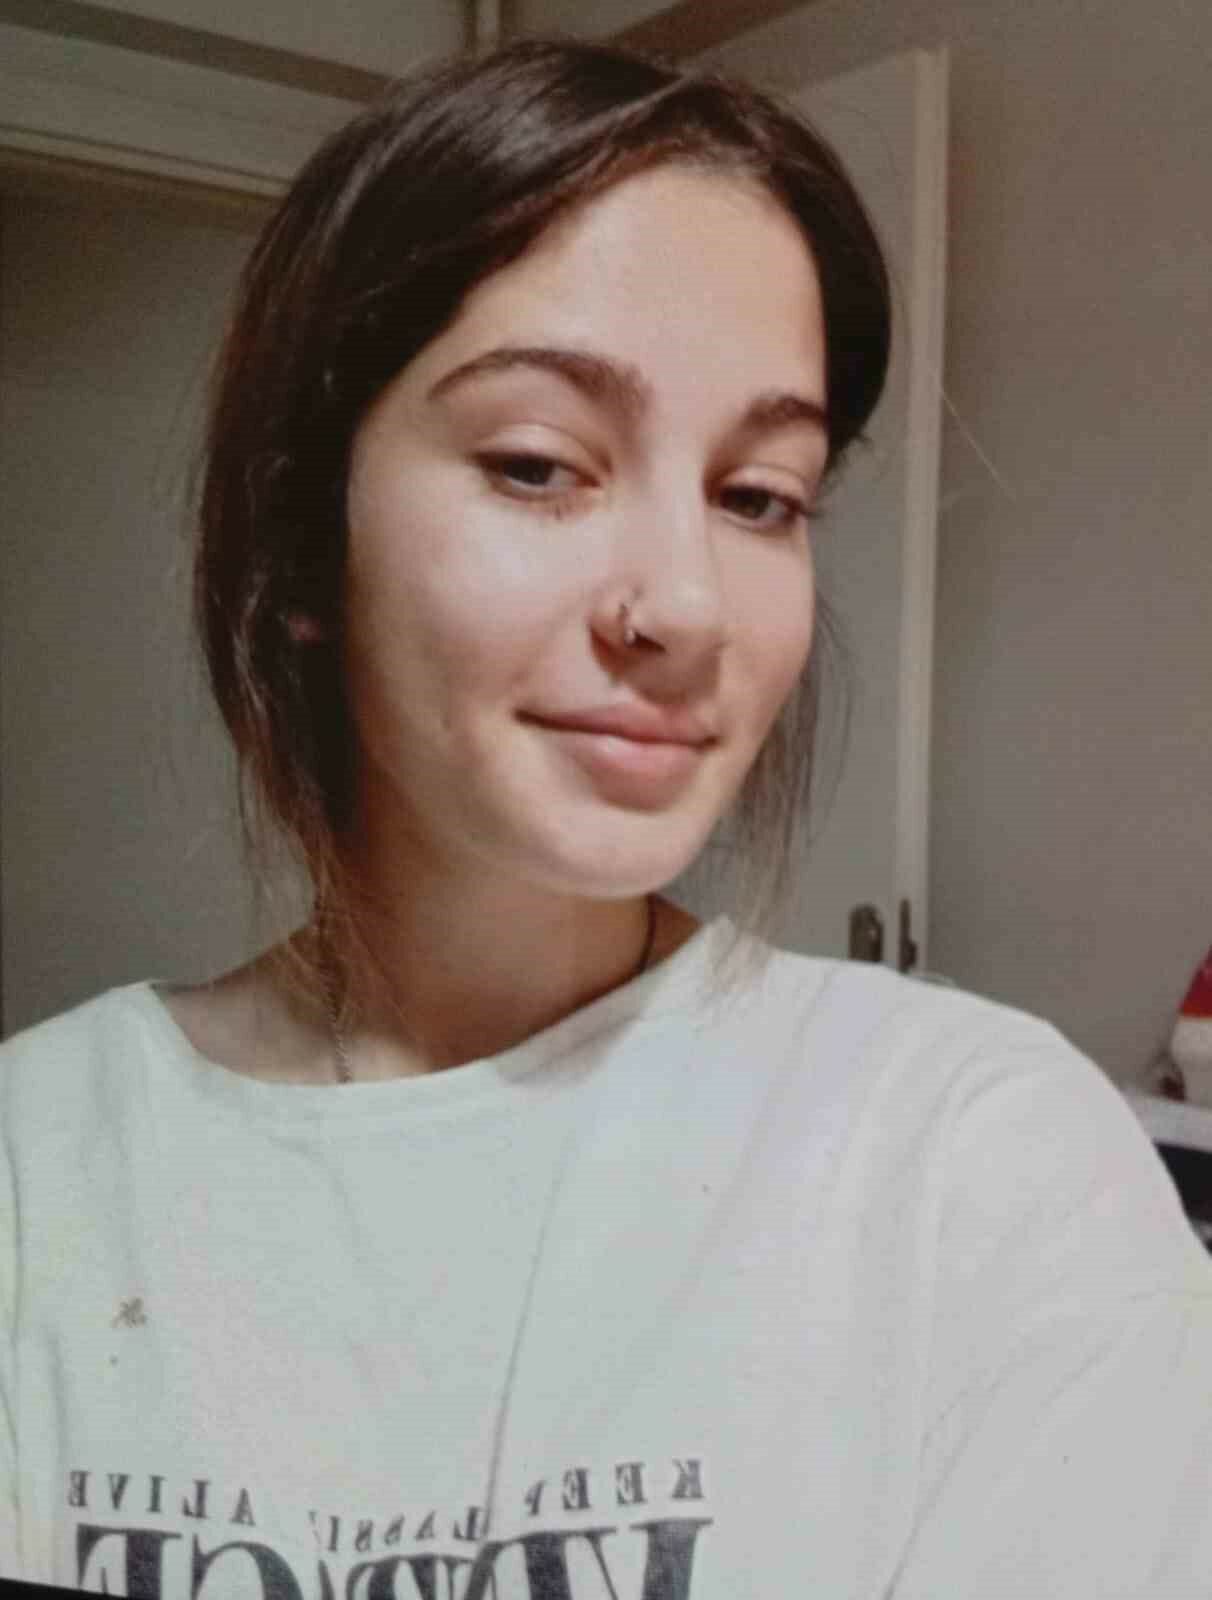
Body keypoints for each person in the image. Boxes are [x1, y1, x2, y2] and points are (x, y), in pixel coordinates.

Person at [2, 35, 1211, 1600]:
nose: (685, 606)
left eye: (759, 496)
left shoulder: (974, 1164)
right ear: (303, 538)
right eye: (538, 465)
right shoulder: (40, 1166)